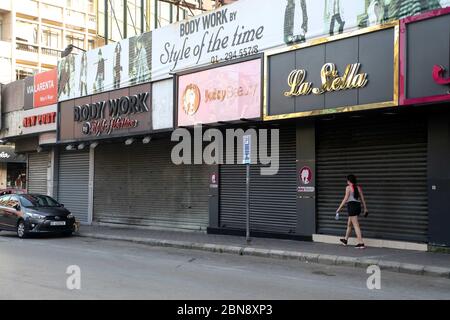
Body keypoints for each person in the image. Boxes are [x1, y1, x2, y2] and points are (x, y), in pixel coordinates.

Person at [336, 174, 368, 249]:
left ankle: (361, 243)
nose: (346, 181)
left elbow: (345, 199)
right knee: (349, 224)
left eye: (347, 180)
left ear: (349, 181)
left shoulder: (348, 188)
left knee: (356, 225)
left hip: (352, 207)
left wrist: (339, 208)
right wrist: (365, 208)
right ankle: (345, 240)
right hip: (358, 206)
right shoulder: (358, 188)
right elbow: (362, 199)